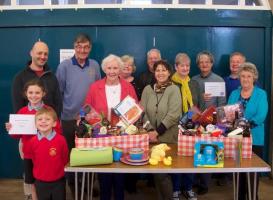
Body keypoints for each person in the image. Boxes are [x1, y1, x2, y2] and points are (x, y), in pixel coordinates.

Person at [85, 54, 138, 200]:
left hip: (122, 135)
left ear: (120, 69)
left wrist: (128, 121)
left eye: (115, 68)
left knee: (120, 173)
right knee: (104, 174)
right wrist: (92, 121)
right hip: (102, 135)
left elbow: (136, 109)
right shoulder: (95, 87)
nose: (112, 71)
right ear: (104, 69)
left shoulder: (128, 87)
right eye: (109, 68)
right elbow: (87, 108)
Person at [55, 33, 101, 197]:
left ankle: (88, 185)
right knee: (71, 156)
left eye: (86, 46)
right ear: (74, 47)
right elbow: (58, 93)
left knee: (89, 155)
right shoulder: (64, 66)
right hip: (69, 120)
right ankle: (74, 188)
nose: (82, 50)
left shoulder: (95, 65)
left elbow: (98, 90)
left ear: (90, 48)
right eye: (79, 46)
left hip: (90, 120)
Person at [5, 79, 62, 200]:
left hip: (46, 152)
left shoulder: (49, 111)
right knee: (31, 181)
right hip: (28, 153)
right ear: (26, 93)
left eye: (37, 92)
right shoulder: (22, 112)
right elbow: (16, 136)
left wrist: (46, 130)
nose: (34, 95)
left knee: (44, 180)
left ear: (43, 94)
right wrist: (11, 128)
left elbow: (58, 132)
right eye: (30, 92)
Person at [141, 60, 181, 200]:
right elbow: (142, 113)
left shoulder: (174, 89)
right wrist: (150, 131)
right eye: (158, 70)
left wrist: (157, 132)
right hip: (151, 138)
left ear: (169, 73)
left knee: (162, 174)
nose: (161, 73)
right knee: (157, 174)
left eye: (164, 70)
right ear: (154, 72)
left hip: (168, 139)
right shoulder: (147, 89)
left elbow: (174, 115)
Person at [228, 62, 268, 200]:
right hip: (237, 138)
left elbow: (262, 114)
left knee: (252, 172)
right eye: (243, 76)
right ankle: (238, 196)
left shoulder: (261, 94)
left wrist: (245, 125)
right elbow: (228, 113)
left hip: (255, 138)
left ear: (254, 78)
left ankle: (252, 196)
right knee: (238, 170)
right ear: (239, 77)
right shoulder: (234, 93)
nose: (245, 79)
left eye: (249, 76)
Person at [192, 51, 226, 195]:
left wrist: (212, 118)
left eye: (207, 61)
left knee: (209, 152)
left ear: (212, 63)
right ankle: (193, 182)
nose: (204, 64)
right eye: (201, 62)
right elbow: (190, 103)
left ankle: (205, 184)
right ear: (198, 64)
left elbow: (222, 105)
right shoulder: (192, 80)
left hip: (212, 124)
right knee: (194, 151)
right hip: (194, 123)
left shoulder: (219, 80)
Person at [171, 53, 199, 200]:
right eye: (182, 65)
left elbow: (197, 104)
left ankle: (188, 188)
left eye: (187, 65)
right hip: (175, 125)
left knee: (190, 157)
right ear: (176, 66)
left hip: (192, 126)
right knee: (177, 157)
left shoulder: (193, 83)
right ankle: (175, 189)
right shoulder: (170, 83)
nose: (185, 68)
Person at [12, 41, 62, 116]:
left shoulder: (52, 77)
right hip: (28, 125)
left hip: (48, 125)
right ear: (31, 53)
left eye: (45, 54)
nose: (43, 57)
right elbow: (18, 107)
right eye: (39, 53)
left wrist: (54, 122)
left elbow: (58, 103)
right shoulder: (19, 78)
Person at [29, 107, 69, 200]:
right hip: (40, 182)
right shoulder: (32, 141)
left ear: (54, 123)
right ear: (35, 124)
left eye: (47, 119)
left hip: (58, 181)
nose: (43, 121)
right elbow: (33, 159)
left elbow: (65, 158)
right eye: (40, 119)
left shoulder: (61, 140)